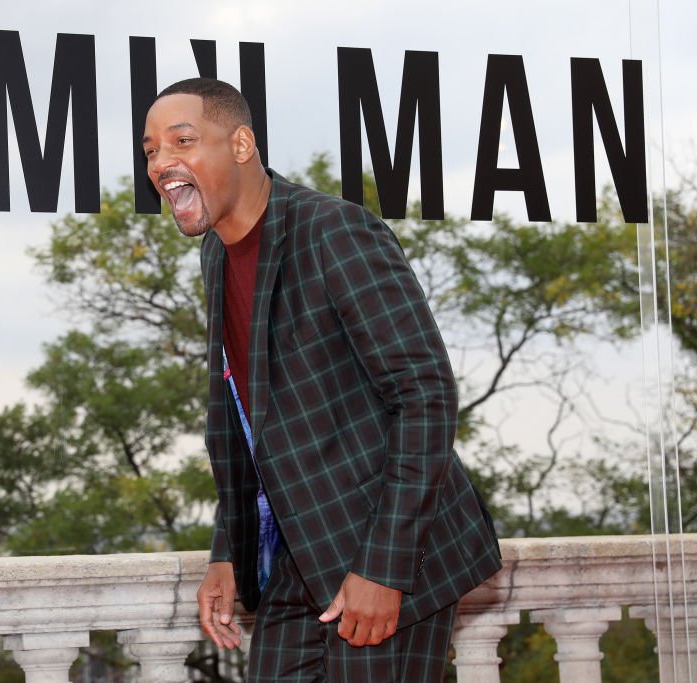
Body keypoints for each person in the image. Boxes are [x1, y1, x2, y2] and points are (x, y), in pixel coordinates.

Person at [142, 77, 502, 682]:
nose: (162, 163)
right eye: (151, 149)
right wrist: (228, 551)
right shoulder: (216, 255)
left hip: (382, 557)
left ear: (240, 144)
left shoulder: (332, 231)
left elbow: (424, 395)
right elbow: (242, 419)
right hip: (294, 559)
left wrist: (384, 569)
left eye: (182, 140)